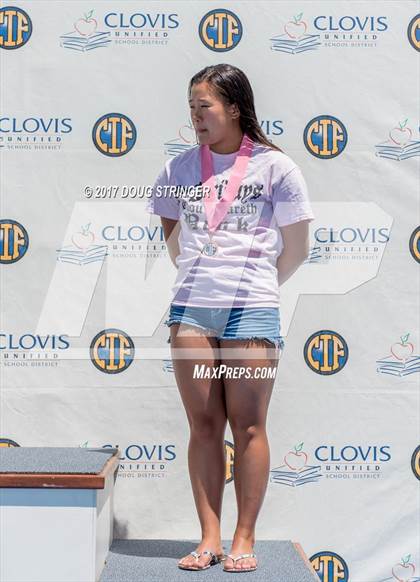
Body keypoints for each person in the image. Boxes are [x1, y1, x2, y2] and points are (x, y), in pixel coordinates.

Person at [146, 63, 314, 573]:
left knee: (248, 426)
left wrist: (254, 287)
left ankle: (244, 537)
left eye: (206, 107)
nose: (196, 116)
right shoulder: (178, 170)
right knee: (202, 425)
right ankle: (209, 537)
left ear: (235, 109)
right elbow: (174, 243)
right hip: (192, 312)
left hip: (253, 312)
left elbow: (297, 250)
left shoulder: (275, 168)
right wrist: (207, 282)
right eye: (191, 108)